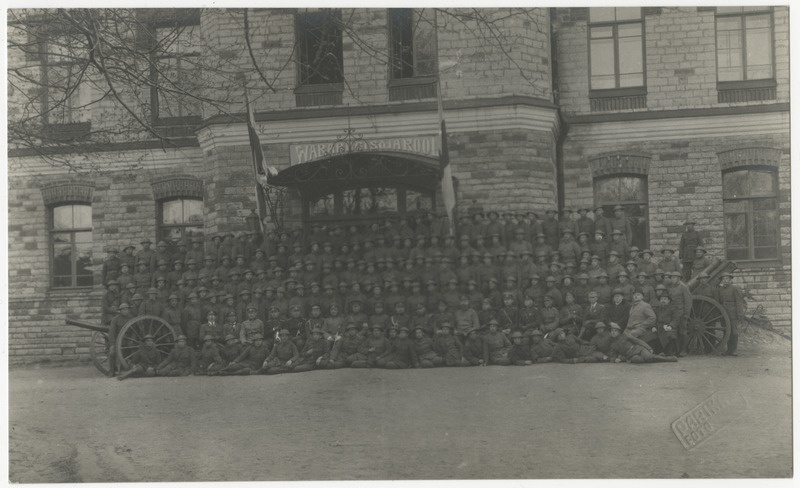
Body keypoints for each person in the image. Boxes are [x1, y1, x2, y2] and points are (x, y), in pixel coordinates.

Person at [608, 322, 678, 363]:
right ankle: (659, 356)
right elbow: (611, 356)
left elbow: (638, 341)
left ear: (619, 332)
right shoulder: (613, 345)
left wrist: (649, 348)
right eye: (612, 331)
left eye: (615, 331)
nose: (613, 332)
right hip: (631, 356)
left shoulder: (625, 335)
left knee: (648, 357)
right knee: (637, 360)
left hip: (639, 349)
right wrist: (615, 359)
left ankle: (669, 359)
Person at [718, 271, 745, 356]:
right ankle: (729, 350)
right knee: (726, 332)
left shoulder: (734, 288)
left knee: (734, 332)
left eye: (727, 279)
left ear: (730, 280)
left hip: (733, 313)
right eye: (723, 279)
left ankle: (734, 350)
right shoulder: (720, 289)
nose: (725, 280)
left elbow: (739, 302)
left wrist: (740, 314)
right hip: (724, 314)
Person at [107, 302, 133, 377]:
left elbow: (135, 331)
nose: (125, 311)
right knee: (112, 352)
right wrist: (112, 344)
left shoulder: (131, 319)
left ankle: (130, 369)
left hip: (128, 341)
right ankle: (112, 370)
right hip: (118, 341)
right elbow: (111, 333)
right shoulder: (115, 320)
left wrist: (132, 340)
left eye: (127, 309)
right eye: (123, 309)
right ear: (120, 311)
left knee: (133, 349)